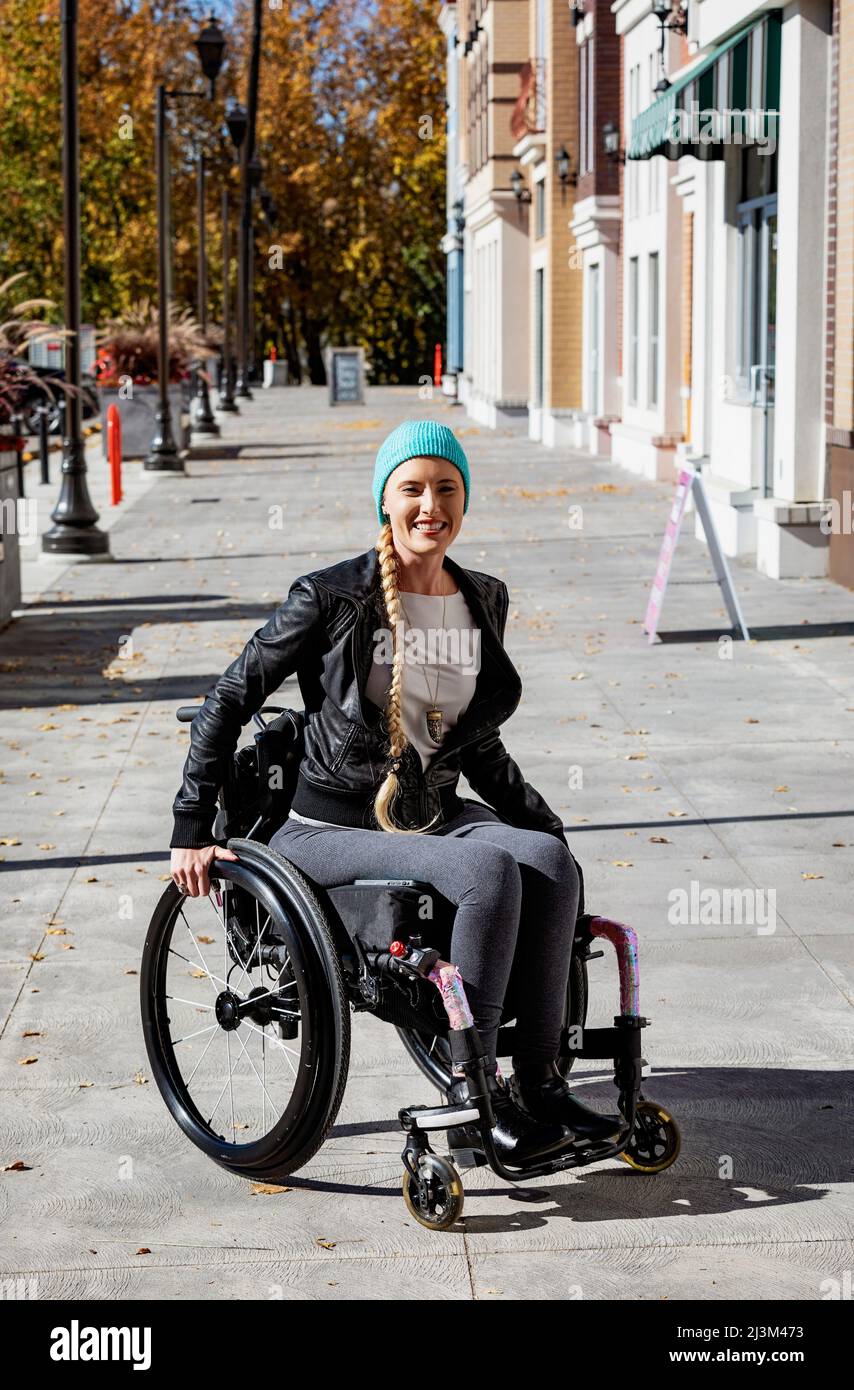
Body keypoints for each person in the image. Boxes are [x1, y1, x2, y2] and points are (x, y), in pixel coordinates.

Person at [170, 419, 621, 1163]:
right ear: (386, 500)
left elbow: (476, 742)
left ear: (464, 502)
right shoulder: (330, 597)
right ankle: (473, 1095)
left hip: (430, 814)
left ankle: (541, 1083)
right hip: (324, 828)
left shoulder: (481, 598)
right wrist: (192, 826)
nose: (429, 505)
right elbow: (227, 700)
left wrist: (545, 824)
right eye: (411, 488)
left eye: (446, 488)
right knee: (486, 870)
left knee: (546, 861)